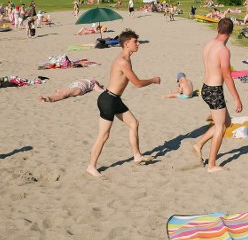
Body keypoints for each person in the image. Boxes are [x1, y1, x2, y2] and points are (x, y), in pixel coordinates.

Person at [87, 29, 160, 177]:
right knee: (104, 135)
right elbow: (137, 84)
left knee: (134, 123)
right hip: (108, 100)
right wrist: (153, 80)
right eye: (135, 42)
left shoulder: (127, 58)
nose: (138, 44)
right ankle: (91, 166)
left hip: (115, 99)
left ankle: (137, 155)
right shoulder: (122, 61)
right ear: (127, 44)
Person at [192, 18, 243, 173]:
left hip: (206, 88)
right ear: (231, 32)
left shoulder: (209, 44)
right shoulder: (223, 50)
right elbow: (227, 76)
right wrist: (236, 98)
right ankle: (211, 165)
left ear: (218, 29)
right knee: (220, 127)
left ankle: (198, 144)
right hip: (214, 91)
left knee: (226, 122)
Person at [40, 78, 104, 103]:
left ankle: (50, 99)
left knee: (65, 93)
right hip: (73, 86)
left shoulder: (93, 84)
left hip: (80, 88)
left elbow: (100, 90)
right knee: (60, 92)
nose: (94, 79)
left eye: (96, 81)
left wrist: (99, 87)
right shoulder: (88, 80)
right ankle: (47, 98)